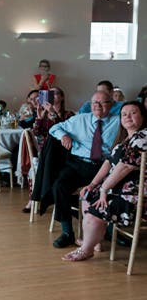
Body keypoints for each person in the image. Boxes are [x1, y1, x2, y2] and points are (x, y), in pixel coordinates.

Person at [62, 101, 147, 261]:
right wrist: (93, 184)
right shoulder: (125, 140)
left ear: (143, 117)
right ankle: (94, 241)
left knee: (95, 211)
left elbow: (125, 167)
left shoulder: (143, 137)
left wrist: (103, 190)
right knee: (88, 194)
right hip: (118, 190)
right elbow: (108, 162)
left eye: (133, 113)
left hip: (135, 196)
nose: (128, 116)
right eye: (124, 114)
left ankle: (86, 249)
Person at [48, 90, 121, 247]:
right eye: (95, 103)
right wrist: (64, 136)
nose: (98, 106)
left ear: (112, 105)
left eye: (103, 102)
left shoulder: (118, 121)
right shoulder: (80, 119)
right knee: (59, 186)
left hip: (103, 166)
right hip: (78, 164)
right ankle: (67, 232)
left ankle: (110, 231)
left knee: (115, 189)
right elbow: (54, 129)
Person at [21, 88, 73, 213]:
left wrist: (53, 114)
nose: (52, 96)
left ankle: (37, 198)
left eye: (55, 94)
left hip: (64, 154)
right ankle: (39, 198)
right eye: (49, 94)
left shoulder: (69, 115)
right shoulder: (44, 114)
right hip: (45, 154)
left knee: (42, 165)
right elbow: (37, 133)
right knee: (40, 163)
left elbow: (66, 132)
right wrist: (39, 117)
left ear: (62, 97)